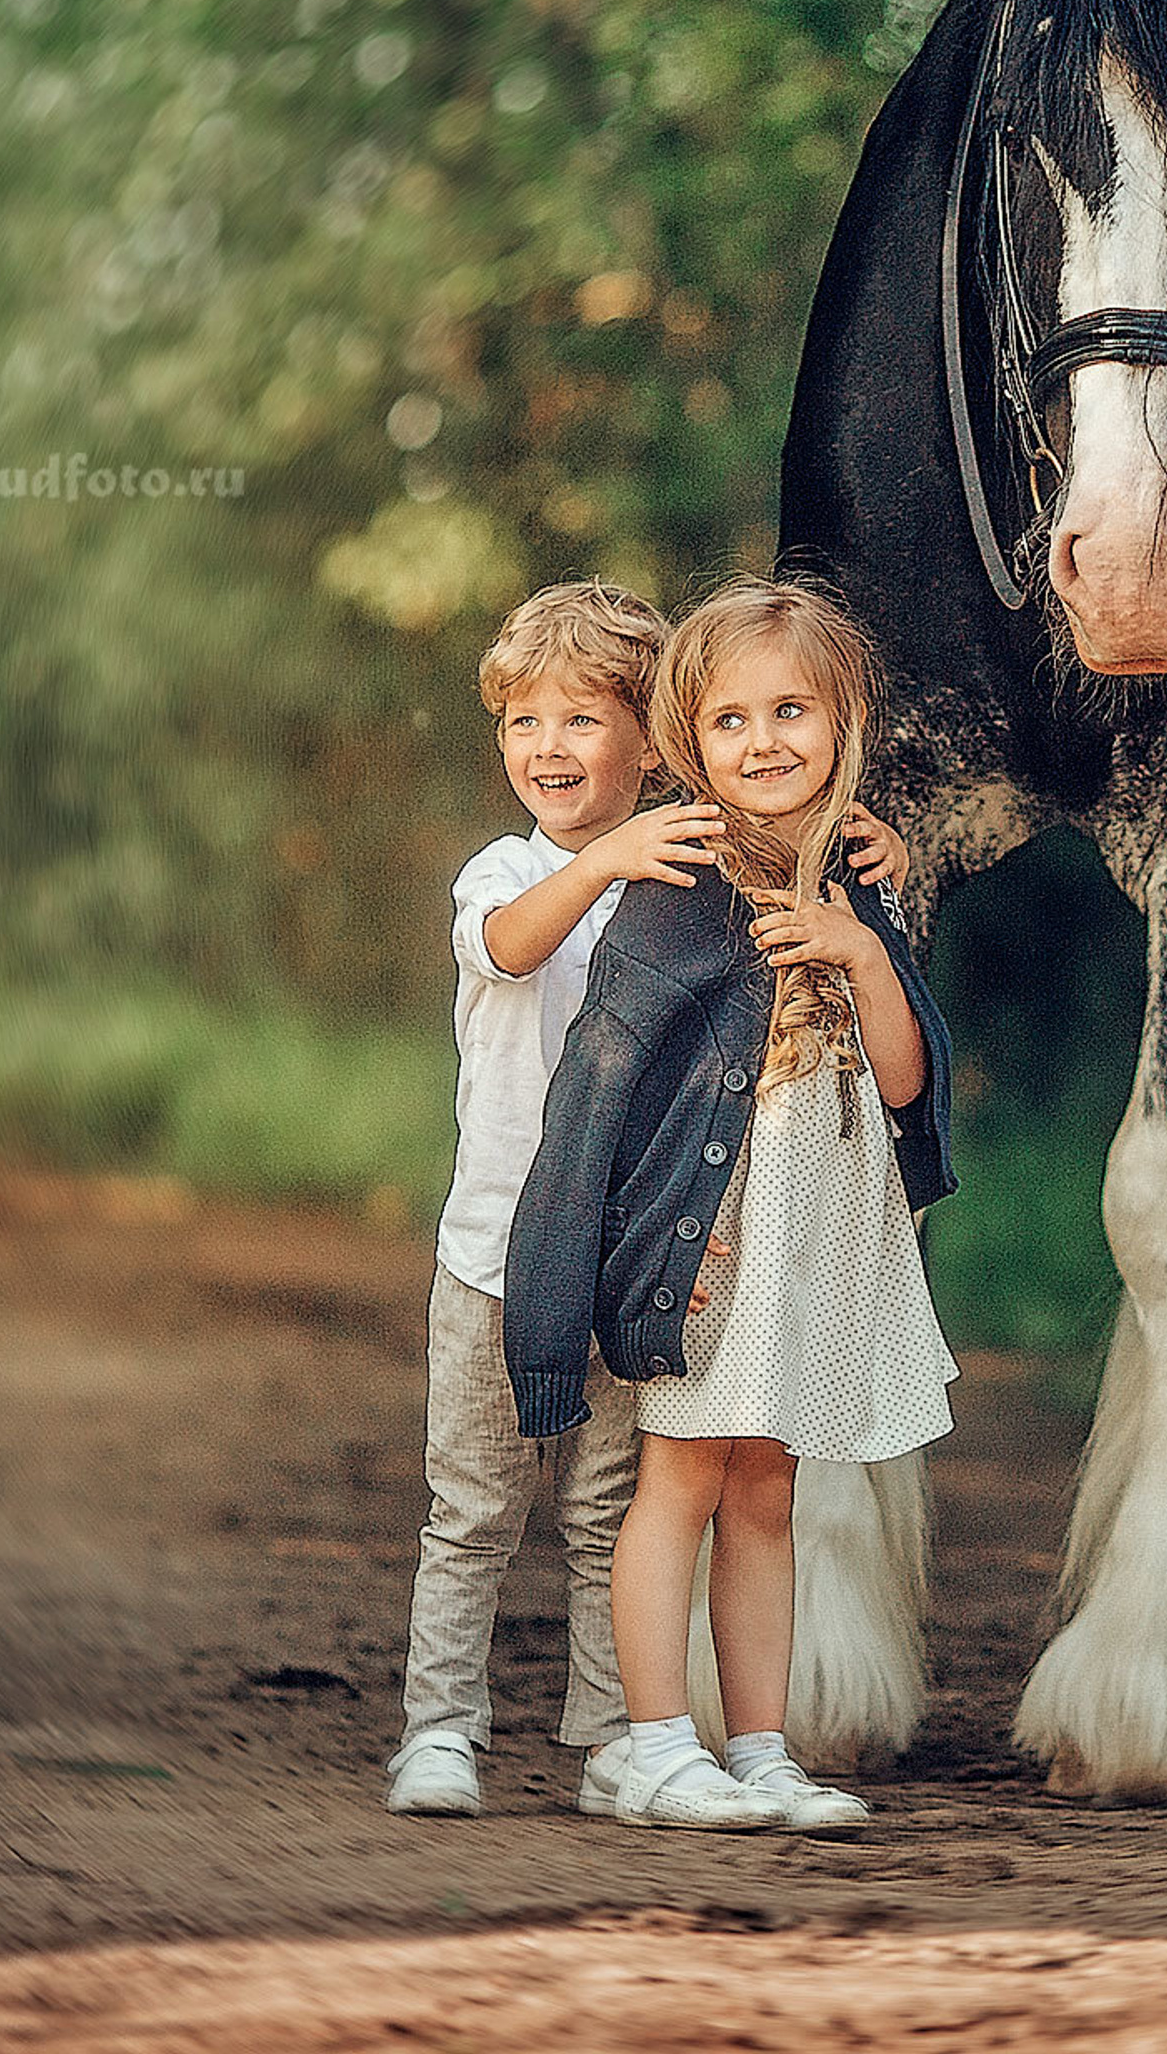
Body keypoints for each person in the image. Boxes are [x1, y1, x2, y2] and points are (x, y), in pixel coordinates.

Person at [385, 578, 907, 1818]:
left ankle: (621, 1735)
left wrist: (877, 839)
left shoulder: (692, 858)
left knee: (613, 1503)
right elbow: (511, 942)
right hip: (499, 1246)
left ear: (653, 738)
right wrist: (605, 859)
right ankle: (440, 1729)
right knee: (472, 1506)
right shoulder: (510, 870)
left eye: (582, 721)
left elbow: (783, 828)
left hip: (645, 1248)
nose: (550, 748)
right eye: (524, 724)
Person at [504, 576, 956, 1834]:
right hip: (713, 1245)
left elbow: (909, 1084)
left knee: (770, 1488)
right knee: (683, 1478)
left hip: (815, 1239)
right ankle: (652, 1744)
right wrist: (564, 1284)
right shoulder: (676, 883)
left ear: (845, 717)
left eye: (792, 711)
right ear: (685, 745)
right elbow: (595, 1095)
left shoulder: (858, 875)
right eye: (731, 722)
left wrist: (864, 949)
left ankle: (757, 1747)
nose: (764, 744)